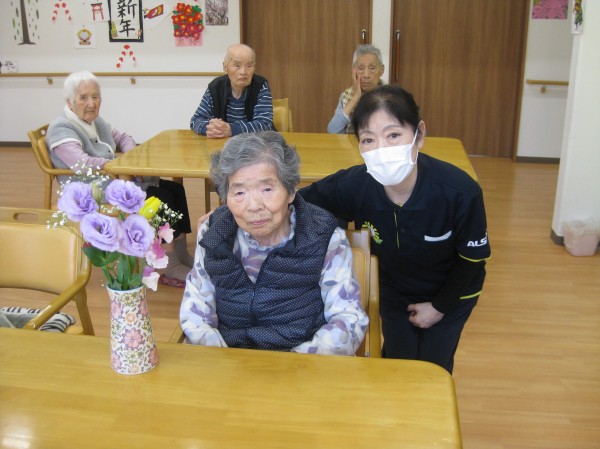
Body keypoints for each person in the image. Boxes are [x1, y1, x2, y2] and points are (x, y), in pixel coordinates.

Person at [300, 85, 491, 373]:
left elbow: (472, 260)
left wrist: (438, 307)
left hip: (451, 292)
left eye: (393, 136)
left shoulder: (460, 192)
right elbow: (294, 202)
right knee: (398, 364)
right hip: (393, 291)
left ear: (419, 135)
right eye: (368, 139)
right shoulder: (355, 185)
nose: (382, 149)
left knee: (433, 368)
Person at [180, 131, 368, 354]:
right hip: (229, 360)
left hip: (301, 363)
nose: (254, 206)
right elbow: (196, 310)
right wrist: (221, 359)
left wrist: (295, 364)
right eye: (239, 192)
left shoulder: (323, 237)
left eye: (267, 189)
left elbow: (348, 319)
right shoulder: (213, 234)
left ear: (291, 190)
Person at [46, 71, 193, 286]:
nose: (91, 103)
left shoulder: (96, 122)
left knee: (174, 189)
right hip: (90, 189)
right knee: (161, 198)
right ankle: (169, 264)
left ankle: (181, 253)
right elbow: (81, 163)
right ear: (69, 101)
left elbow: (124, 138)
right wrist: (120, 164)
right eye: (83, 97)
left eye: (95, 97)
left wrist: (130, 157)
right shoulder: (61, 129)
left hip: (113, 177)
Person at [190, 44, 274, 138]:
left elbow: (265, 124)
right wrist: (212, 129)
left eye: (249, 66)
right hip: (223, 143)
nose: (243, 72)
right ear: (225, 67)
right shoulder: (215, 87)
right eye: (237, 66)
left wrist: (232, 130)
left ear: (254, 67)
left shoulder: (260, 85)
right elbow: (196, 120)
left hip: (255, 143)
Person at [327, 44, 385, 134]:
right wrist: (355, 98)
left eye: (372, 68)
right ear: (354, 71)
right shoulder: (346, 96)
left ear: (381, 70)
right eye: (361, 68)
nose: (366, 75)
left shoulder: (390, 96)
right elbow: (333, 131)